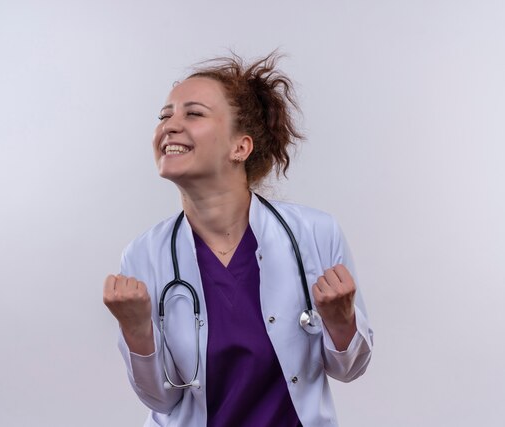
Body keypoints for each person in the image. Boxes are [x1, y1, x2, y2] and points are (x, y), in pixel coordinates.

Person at [103, 52, 373, 427]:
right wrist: (135, 330)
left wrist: (342, 320)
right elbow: (161, 399)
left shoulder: (314, 234)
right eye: (164, 115)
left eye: (192, 113)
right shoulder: (143, 254)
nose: (169, 125)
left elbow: (349, 369)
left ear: (240, 147)